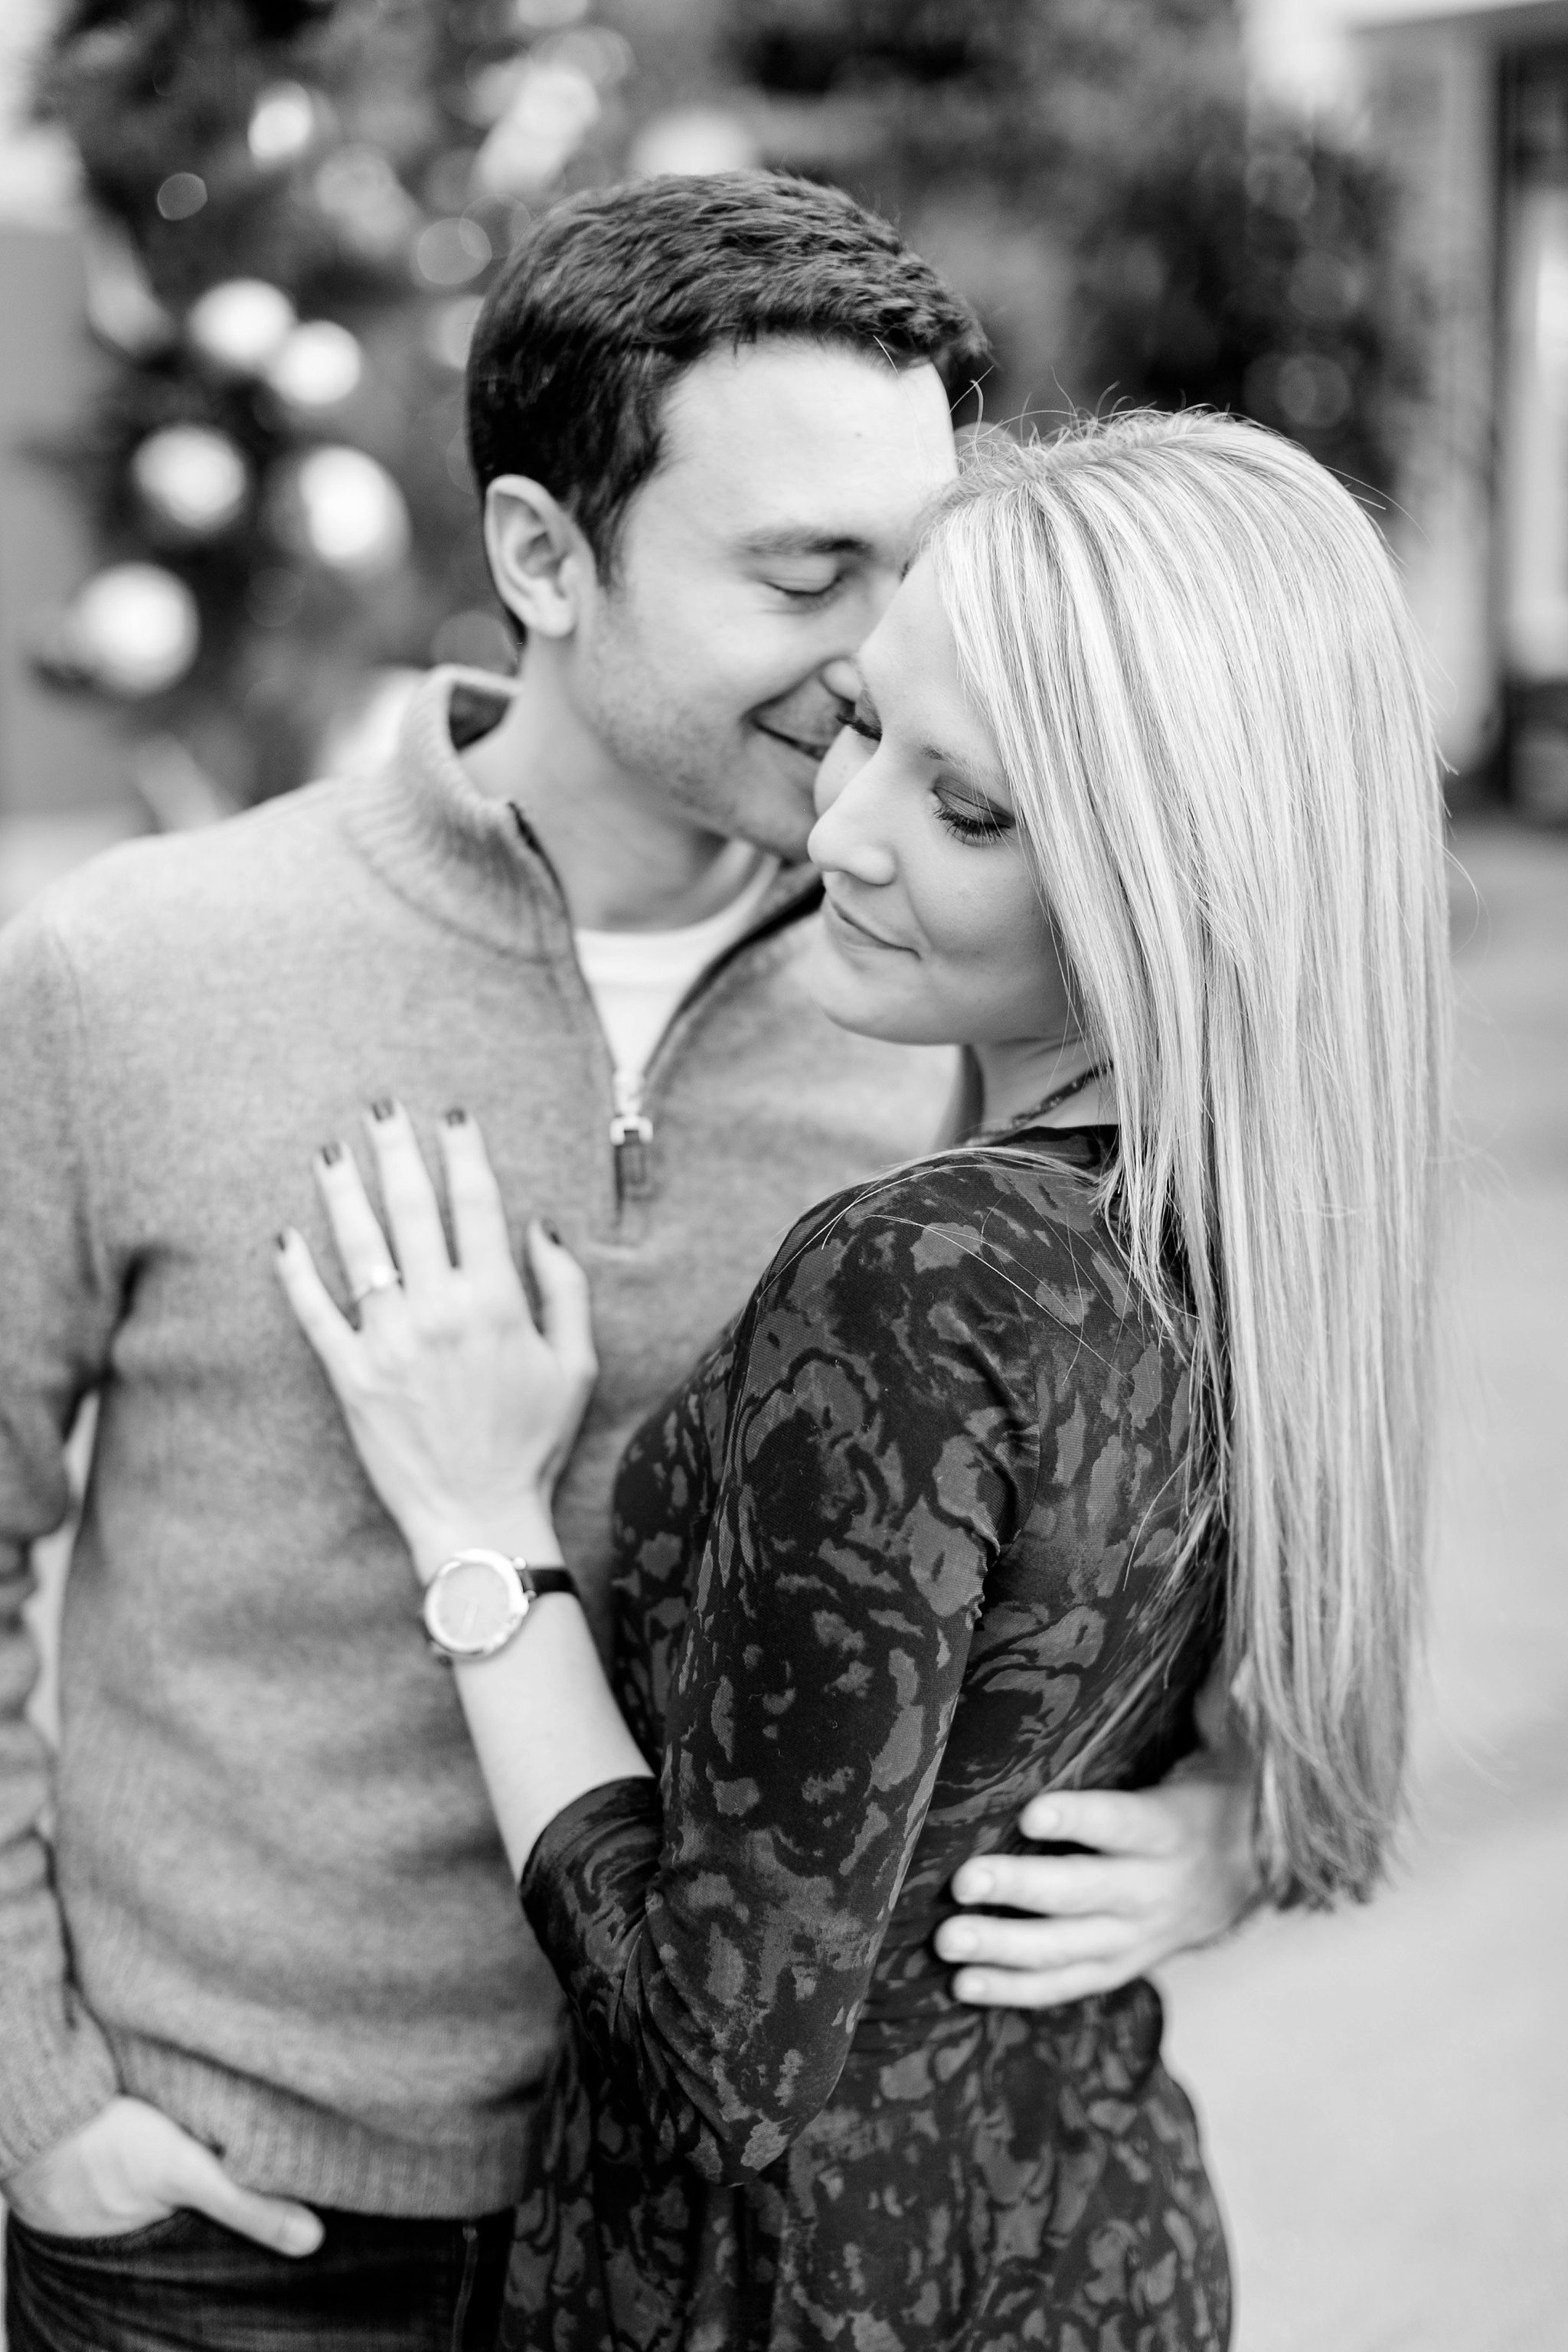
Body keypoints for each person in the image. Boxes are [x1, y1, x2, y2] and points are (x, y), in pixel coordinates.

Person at [0, 180, 1255, 2350]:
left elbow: (1154, 1513)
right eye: (804, 573)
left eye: (917, 559)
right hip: (230, 2223)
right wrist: (35, 2096)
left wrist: (1234, 1817)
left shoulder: (961, 1007)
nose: (885, 654)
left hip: (701, 2247)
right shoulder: (133, 972)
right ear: (540, 557)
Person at [279, 411, 1452, 2349]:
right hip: (1095, 2245)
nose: (839, 832)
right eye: (860, 729)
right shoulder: (1275, 1226)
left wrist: (482, 1532)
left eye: (968, 810)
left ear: (1179, 883)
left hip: (801, 2295)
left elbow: (715, 2053)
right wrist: (1243, 1835)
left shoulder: (918, 1277)